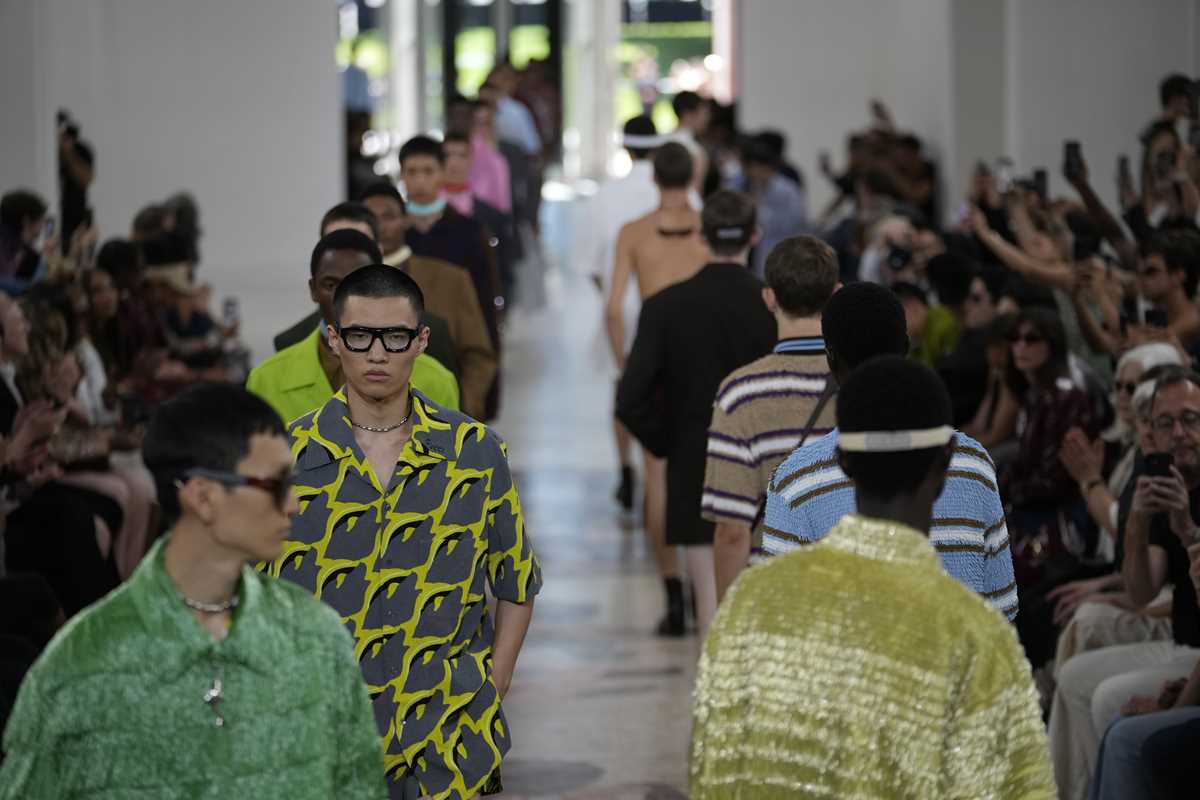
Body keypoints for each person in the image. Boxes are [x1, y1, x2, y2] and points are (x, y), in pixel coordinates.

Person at [690, 356, 1055, 799]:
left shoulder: (751, 604)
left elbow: (714, 765)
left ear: (843, 461)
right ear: (945, 464)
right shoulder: (977, 639)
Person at [0, 383, 387, 799]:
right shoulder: (80, 665)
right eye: (276, 485)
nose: (294, 503)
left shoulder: (318, 639)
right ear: (203, 497)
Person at [268, 265, 541, 799]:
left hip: (448, 740)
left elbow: (516, 580)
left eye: (394, 337)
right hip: (322, 740)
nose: (377, 354)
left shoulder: (474, 453)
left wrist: (495, 682)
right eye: (359, 336)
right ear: (334, 339)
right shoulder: (286, 460)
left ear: (421, 341)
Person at [762, 282, 1018, 620]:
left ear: (830, 358)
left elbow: (783, 619)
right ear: (907, 347)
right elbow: (1002, 611)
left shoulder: (794, 481)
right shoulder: (974, 465)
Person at [617, 191, 776, 635]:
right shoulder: (773, 306)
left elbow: (630, 398)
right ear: (755, 236)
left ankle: (712, 677)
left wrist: (669, 442)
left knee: (710, 601)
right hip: (768, 466)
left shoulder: (664, 307)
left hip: (695, 460)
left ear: (702, 238)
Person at [1048, 369, 1200, 800]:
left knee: (1106, 699)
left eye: (1190, 419)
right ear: (1151, 432)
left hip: (1191, 652)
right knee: (1075, 677)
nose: (1179, 433)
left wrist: (1187, 529)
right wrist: (1136, 520)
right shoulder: (1167, 486)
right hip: (1184, 645)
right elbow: (1141, 590)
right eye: (1166, 423)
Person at [703, 235, 839, 602]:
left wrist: (730, 619)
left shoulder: (741, 393)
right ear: (836, 294)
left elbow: (732, 531)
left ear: (769, 298)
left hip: (773, 593)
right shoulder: (864, 383)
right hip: (850, 587)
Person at [246, 230, 459, 424]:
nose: (344, 296)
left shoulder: (436, 380)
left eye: (359, 285)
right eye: (331, 284)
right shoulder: (266, 379)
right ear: (313, 289)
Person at [272, 201, 462, 384]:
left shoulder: (431, 351)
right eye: (331, 284)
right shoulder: (286, 348)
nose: (344, 296)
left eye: (359, 241)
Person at [357, 184, 498, 419]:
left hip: (439, 414)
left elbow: (478, 354)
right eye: (371, 218)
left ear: (406, 221)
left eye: (389, 216)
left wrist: (461, 410)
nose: (380, 226)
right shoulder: (347, 282)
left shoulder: (450, 279)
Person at [582, 114, 663, 510]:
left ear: (625, 147)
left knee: (623, 386)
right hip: (666, 308)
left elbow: (593, 266)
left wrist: (612, 297)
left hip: (620, 307)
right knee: (665, 387)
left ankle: (626, 469)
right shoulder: (678, 194)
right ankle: (657, 470)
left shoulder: (604, 196)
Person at [400, 135, 505, 416]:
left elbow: (485, 308)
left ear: (442, 173)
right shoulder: (393, 233)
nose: (420, 181)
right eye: (412, 172)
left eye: (428, 171)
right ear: (401, 176)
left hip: (454, 361)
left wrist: (479, 394)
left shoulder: (469, 233)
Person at [441, 132, 521, 299]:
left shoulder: (492, 217)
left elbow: (503, 274)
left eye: (462, 155)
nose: (454, 162)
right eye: (448, 155)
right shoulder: (425, 212)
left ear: (471, 161)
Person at [738, 134, 808, 278]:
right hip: (752, 255)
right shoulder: (745, 185)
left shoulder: (787, 190)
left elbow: (796, 222)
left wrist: (759, 211)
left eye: (756, 168)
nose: (753, 173)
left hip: (781, 254)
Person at [1135, 228, 1200, 351]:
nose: (1142, 279)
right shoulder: (1162, 319)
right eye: (1139, 272)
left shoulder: (1193, 321)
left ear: (1178, 275)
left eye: (1151, 272)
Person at [669, 90, 710, 195]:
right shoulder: (695, 151)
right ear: (688, 114)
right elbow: (695, 191)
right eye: (704, 113)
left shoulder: (660, 144)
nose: (706, 119)